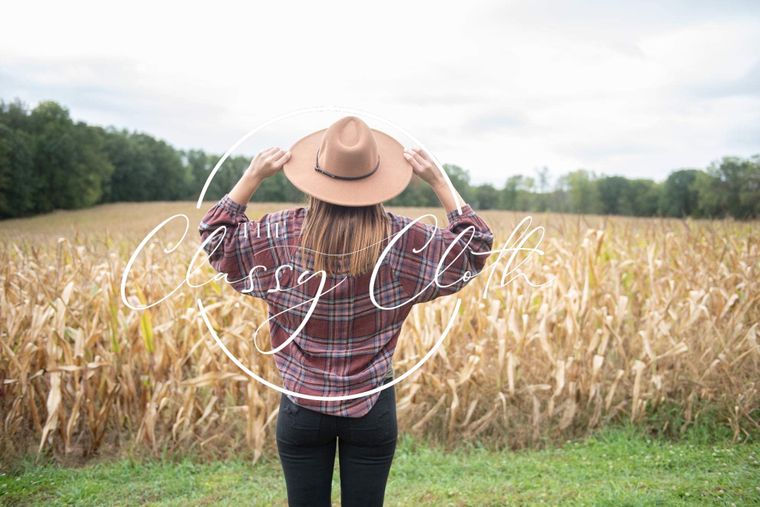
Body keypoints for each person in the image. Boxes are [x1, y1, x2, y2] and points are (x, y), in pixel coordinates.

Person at [198, 115, 494, 506]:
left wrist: (251, 176)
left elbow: (217, 241)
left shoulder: (280, 234)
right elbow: (473, 249)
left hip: (300, 406)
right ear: (376, 179)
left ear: (314, 177)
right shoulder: (404, 240)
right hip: (371, 407)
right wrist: (441, 182)